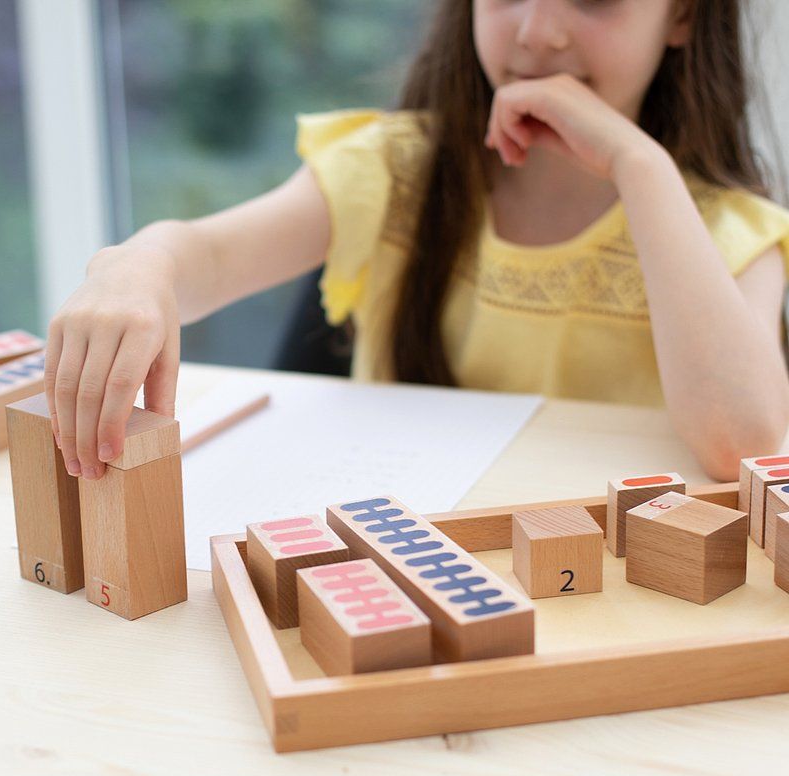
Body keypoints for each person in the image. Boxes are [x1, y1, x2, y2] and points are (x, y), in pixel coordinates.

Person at [44, 0, 789, 484]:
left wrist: (639, 165)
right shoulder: (394, 170)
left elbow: (744, 446)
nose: (538, 30)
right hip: (403, 569)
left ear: (683, 14)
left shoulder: (733, 232)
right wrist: (141, 265)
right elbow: (208, 256)